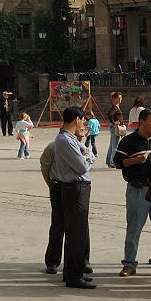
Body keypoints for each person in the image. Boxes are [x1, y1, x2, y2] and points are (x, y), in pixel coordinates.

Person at [112, 107, 151, 278]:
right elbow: (117, 162)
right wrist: (134, 160)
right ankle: (129, 264)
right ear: (142, 122)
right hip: (137, 190)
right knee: (133, 229)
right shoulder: (128, 142)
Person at [52, 107, 96, 289]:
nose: (83, 124)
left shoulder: (70, 139)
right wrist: (89, 157)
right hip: (74, 188)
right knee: (76, 234)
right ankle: (73, 276)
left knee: (77, 232)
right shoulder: (64, 140)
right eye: (82, 120)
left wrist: (87, 154)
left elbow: (85, 153)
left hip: (78, 188)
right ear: (76, 119)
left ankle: (73, 272)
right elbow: (81, 166)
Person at [40, 136, 92, 276]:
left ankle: (83, 260)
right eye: (79, 130)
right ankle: (52, 261)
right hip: (59, 185)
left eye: (83, 132)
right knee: (58, 223)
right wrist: (51, 185)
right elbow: (45, 166)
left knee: (81, 226)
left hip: (77, 187)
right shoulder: (54, 146)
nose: (82, 135)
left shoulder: (83, 148)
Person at [106, 92, 124, 168]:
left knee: (112, 145)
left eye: (121, 97)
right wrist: (114, 123)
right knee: (115, 146)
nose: (120, 99)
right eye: (118, 98)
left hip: (114, 127)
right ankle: (113, 161)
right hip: (116, 127)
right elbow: (110, 114)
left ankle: (109, 161)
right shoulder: (115, 107)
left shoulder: (116, 107)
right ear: (114, 99)